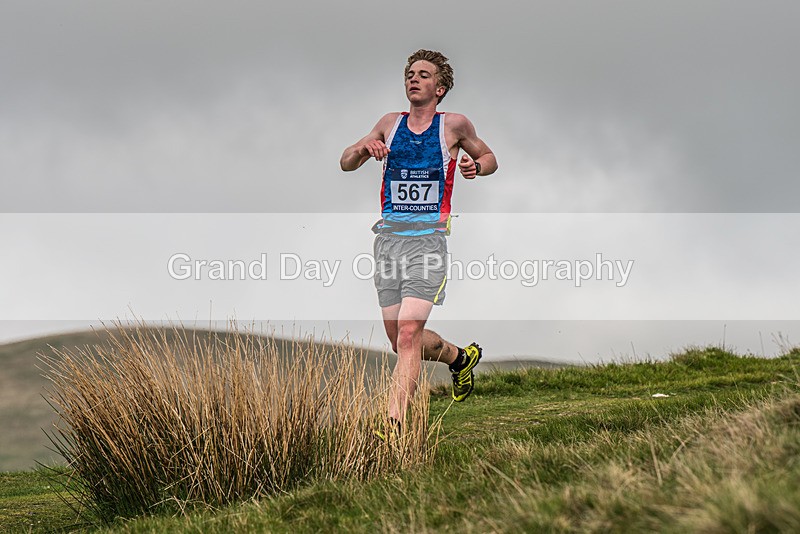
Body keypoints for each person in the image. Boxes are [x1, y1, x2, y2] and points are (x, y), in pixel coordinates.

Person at [340, 49, 497, 436]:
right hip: (387, 243)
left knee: (409, 333)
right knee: (401, 342)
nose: (414, 78)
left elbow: (490, 157)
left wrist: (476, 166)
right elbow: (346, 161)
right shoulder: (389, 124)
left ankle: (392, 422)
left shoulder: (453, 125)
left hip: (428, 243)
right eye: (410, 73)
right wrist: (363, 148)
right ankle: (459, 358)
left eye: (424, 75)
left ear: (439, 88)